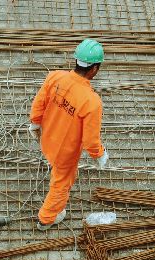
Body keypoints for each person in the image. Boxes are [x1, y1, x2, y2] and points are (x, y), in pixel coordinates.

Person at [29, 39, 109, 231]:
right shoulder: (92, 102)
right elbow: (90, 140)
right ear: (94, 69)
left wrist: (35, 123)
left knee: (58, 172)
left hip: (47, 138)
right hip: (64, 153)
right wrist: (99, 154)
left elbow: (39, 103)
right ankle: (46, 219)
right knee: (61, 183)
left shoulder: (55, 77)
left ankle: (49, 211)